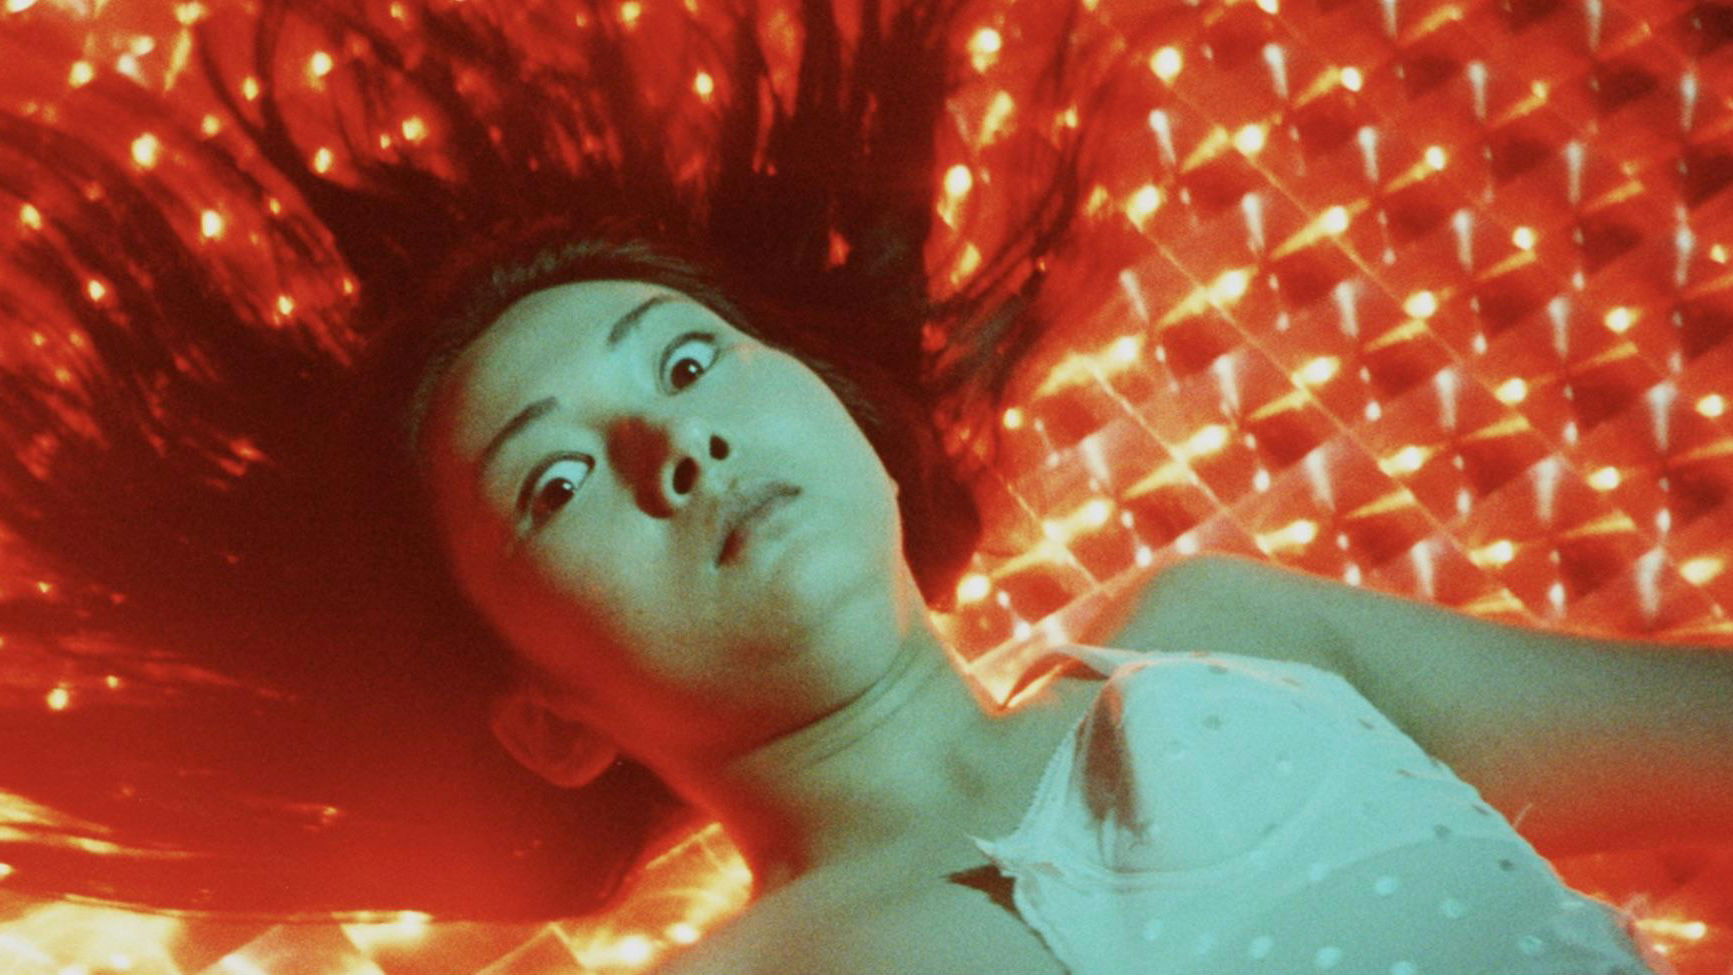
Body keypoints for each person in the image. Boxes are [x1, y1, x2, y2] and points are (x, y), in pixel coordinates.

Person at [0, 0, 1728, 970]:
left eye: (687, 363)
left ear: (830, 399)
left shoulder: (1233, 645)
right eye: (555, 482)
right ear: (545, 720)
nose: (675, 444)